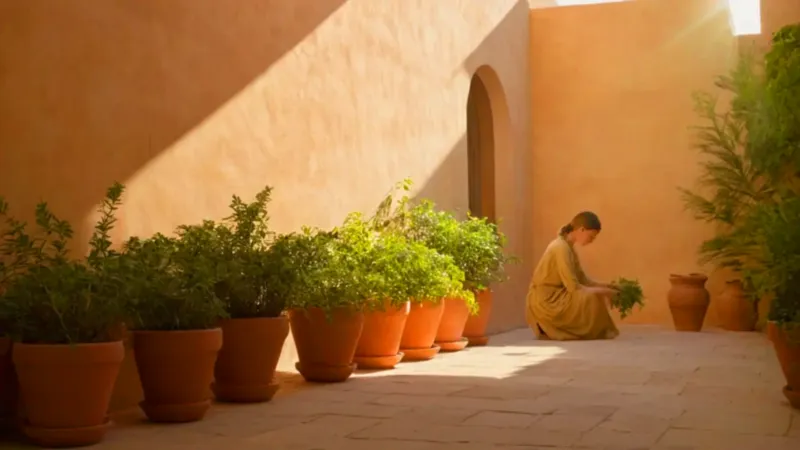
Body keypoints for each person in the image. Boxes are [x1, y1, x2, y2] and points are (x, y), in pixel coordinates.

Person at [525, 211, 620, 340]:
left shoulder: (568, 247)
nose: (591, 241)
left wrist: (610, 287)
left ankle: (594, 330)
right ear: (581, 230)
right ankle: (558, 328)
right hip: (546, 301)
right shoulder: (560, 248)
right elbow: (573, 287)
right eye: (591, 236)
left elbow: (583, 280)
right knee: (592, 298)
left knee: (594, 295)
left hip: (558, 295)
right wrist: (604, 292)